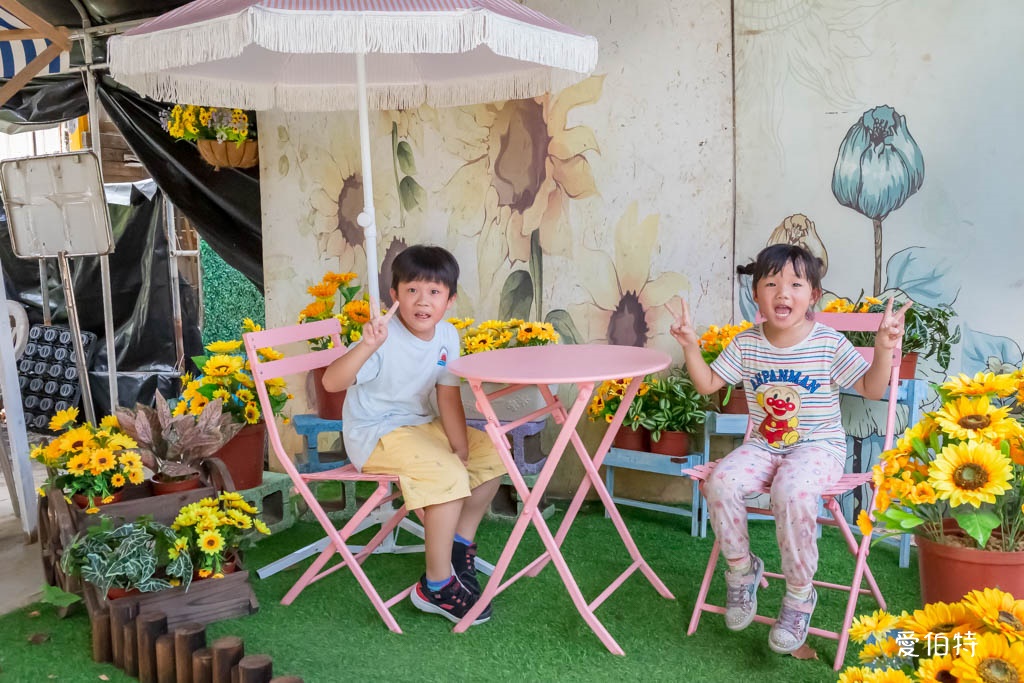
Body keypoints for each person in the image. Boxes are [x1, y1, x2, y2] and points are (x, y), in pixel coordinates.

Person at [669, 244, 909, 654]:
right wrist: (690, 344)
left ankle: (799, 595)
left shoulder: (828, 344)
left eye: (796, 284)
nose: (784, 293)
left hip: (819, 449)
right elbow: (709, 384)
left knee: (791, 491)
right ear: (757, 294)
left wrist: (884, 348)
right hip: (764, 446)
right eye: (772, 283)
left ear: (813, 295)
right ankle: (742, 572)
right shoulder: (747, 345)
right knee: (721, 481)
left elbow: (871, 389)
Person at [321, 245, 506, 625]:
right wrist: (366, 345)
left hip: (420, 427)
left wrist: (460, 444)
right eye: (412, 290)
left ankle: (457, 547)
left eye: (434, 292)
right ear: (395, 295)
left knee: (492, 455)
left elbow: (447, 393)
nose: (423, 301)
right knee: (446, 473)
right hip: (375, 434)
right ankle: (435, 587)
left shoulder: (448, 335)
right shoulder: (381, 337)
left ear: (450, 300)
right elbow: (331, 381)